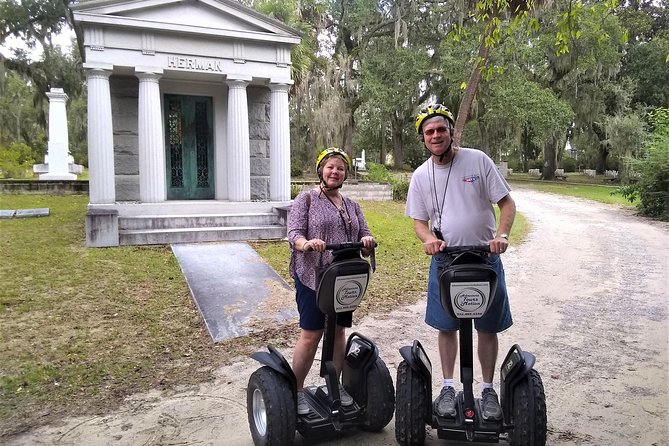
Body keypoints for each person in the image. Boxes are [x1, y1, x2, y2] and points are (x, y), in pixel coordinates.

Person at [405, 104, 516, 421]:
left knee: (488, 327)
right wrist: (428, 239)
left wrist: (503, 235)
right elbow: (419, 222)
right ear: (423, 139)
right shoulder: (421, 175)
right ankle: (449, 386)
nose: (436, 135)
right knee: (446, 326)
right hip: (445, 261)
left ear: (451, 131)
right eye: (429, 132)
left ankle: (487, 388)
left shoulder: (478, 160)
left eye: (441, 129)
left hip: (485, 257)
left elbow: (506, 204)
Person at [287, 147, 376, 415]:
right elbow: (293, 233)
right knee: (311, 334)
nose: (335, 171)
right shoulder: (306, 200)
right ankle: (297, 391)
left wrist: (368, 242)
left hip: (343, 278)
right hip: (313, 277)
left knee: (338, 333)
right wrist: (306, 244)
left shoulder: (352, 205)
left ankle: (332, 386)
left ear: (346, 174)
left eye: (340, 168)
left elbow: (365, 234)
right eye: (330, 167)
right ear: (320, 170)